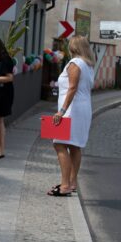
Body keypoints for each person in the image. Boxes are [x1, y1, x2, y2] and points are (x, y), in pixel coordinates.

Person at [48, 36, 95, 196]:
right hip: (83, 108)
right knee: (75, 146)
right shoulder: (88, 65)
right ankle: (72, 183)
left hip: (72, 110)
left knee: (59, 144)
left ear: (73, 47)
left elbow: (72, 88)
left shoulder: (75, 63)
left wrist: (61, 111)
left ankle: (65, 185)